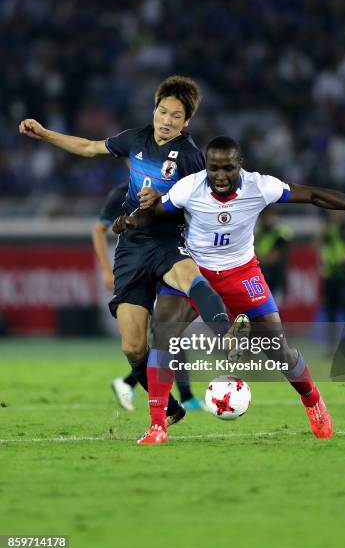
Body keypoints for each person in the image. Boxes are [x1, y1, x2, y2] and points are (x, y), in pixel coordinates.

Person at [119, 136, 345, 444]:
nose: (220, 175)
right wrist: (132, 220)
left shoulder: (260, 186)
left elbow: (315, 196)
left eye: (228, 168)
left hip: (242, 273)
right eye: (214, 168)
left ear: (241, 165)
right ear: (206, 167)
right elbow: (155, 211)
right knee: (164, 334)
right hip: (194, 272)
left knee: (278, 350)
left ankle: (312, 400)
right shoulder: (190, 186)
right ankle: (158, 424)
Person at [19, 76, 245, 441]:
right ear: (154, 109)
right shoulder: (134, 139)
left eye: (176, 115)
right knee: (132, 345)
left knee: (189, 276)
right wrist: (46, 134)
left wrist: (164, 205)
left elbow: (202, 206)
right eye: (162, 111)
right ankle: (171, 409)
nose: (166, 120)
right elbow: (89, 147)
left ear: (186, 122)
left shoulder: (190, 158)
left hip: (168, 242)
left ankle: (227, 335)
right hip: (131, 249)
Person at [92, 180, 204, 411]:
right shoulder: (122, 193)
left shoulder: (178, 188)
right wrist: (105, 269)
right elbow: (99, 229)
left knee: (171, 332)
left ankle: (146, 386)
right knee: (162, 334)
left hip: (170, 259)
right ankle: (174, 394)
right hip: (141, 267)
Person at [319, 211, 345, 357]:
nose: (332, 212)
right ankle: (331, 347)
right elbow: (320, 247)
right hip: (331, 275)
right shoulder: (327, 228)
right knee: (330, 313)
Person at [255, 206, 293, 305]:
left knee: (276, 308)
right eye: (263, 216)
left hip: (277, 276)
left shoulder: (280, 231)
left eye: (268, 215)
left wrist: (265, 258)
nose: (265, 219)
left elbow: (276, 254)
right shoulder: (257, 234)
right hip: (262, 278)